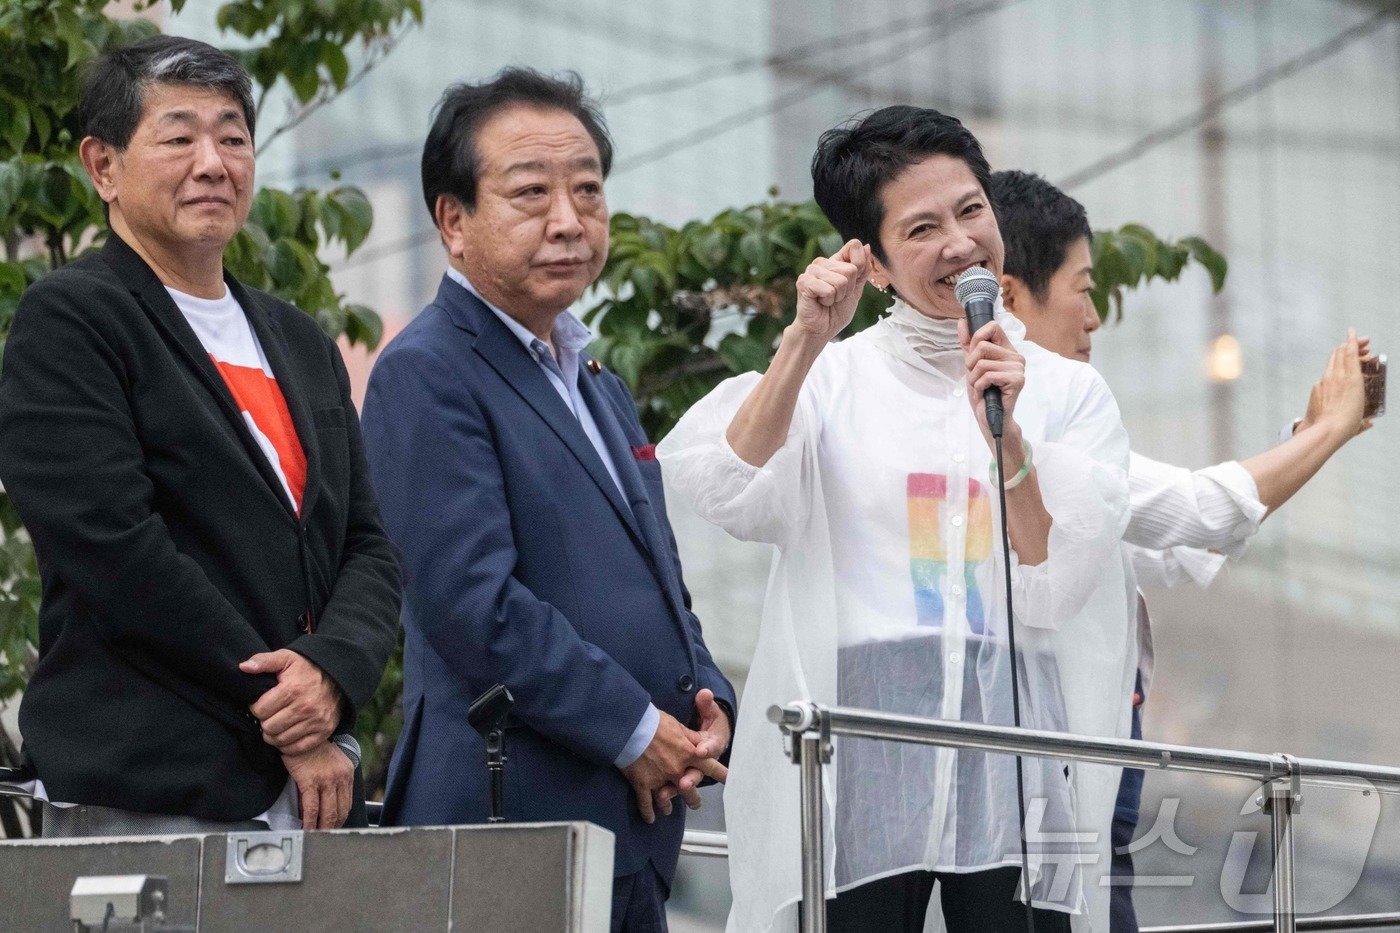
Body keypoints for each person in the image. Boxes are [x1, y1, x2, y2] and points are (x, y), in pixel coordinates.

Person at [659, 107, 1136, 933]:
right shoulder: (835, 378)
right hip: (859, 749)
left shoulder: (1065, 390)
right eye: (922, 227)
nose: (960, 243)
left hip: (1014, 755)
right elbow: (730, 486)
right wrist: (804, 341)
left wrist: (1010, 433)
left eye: (971, 210)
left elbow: (1055, 580)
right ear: (872, 263)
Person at [359, 68, 736, 932]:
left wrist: (703, 698)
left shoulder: (593, 376)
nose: (569, 220)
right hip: (509, 817)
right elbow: (473, 604)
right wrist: (637, 729)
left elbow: (659, 578)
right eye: (531, 193)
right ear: (453, 221)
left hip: (630, 821)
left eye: (588, 191)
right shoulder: (429, 371)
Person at [0, 36, 401, 836]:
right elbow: (115, 547)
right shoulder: (73, 319)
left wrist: (330, 674)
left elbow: (369, 546)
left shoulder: (301, 340)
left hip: (306, 793)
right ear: (102, 166)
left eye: (233, 136)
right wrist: (282, 707)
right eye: (179, 136)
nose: (213, 162)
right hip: (149, 787)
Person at [989, 168, 1374, 932]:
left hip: (1086, 752)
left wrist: (1308, 441)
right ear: (1008, 296)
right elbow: (1197, 514)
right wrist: (1327, 434)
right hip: (1058, 759)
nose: (1095, 318)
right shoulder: (1031, 415)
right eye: (1084, 287)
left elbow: (1174, 545)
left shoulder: (1038, 410)